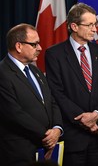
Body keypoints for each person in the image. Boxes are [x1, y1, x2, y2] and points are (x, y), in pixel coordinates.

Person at [45, 2, 98, 166]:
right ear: (74, 26)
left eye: (95, 24)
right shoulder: (54, 54)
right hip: (73, 138)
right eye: (90, 25)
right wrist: (84, 120)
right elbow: (56, 93)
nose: (94, 29)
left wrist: (96, 115)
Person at [0, 23, 63, 166]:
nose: (40, 48)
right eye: (34, 45)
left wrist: (57, 129)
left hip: (45, 149)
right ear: (18, 46)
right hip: (19, 153)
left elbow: (51, 102)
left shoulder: (36, 71)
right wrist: (47, 137)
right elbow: (14, 114)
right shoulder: (2, 73)